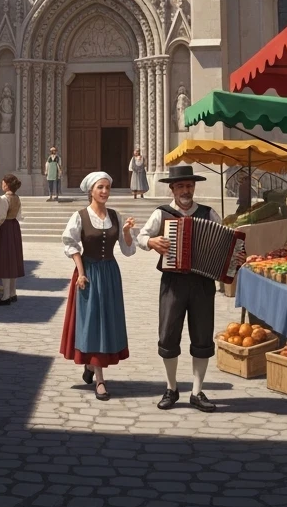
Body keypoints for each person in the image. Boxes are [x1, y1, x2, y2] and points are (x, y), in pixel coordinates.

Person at [137, 163, 220, 413]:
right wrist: (151, 241)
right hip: (173, 283)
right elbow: (141, 237)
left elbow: (228, 241)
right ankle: (171, 388)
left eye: (190, 185)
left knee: (203, 336)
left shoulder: (208, 213)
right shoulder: (161, 214)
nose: (186, 190)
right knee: (168, 334)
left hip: (203, 283)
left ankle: (196, 391)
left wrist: (235, 256)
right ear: (172, 189)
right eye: (181, 186)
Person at [60, 172, 136, 401]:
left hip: (110, 274)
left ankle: (92, 366)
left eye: (107, 188)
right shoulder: (80, 216)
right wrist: (81, 274)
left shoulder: (115, 216)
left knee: (106, 322)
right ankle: (100, 380)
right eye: (100, 187)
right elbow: (70, 244)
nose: (104, 192)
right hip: (89, 273)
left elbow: (128, 250)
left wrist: (126, 233)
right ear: (91, 191)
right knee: (92, 322)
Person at [0, 174, 25, 305]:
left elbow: (1, 217)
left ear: (7, 184)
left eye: (3, 182)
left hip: (5, 229)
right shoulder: (17, 198)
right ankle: (13, 292)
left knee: (4, 260)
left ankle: (6, 296)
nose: (1, 184)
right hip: (14, 228)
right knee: (12, 260)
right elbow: (19, 216)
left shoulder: (3, 198)